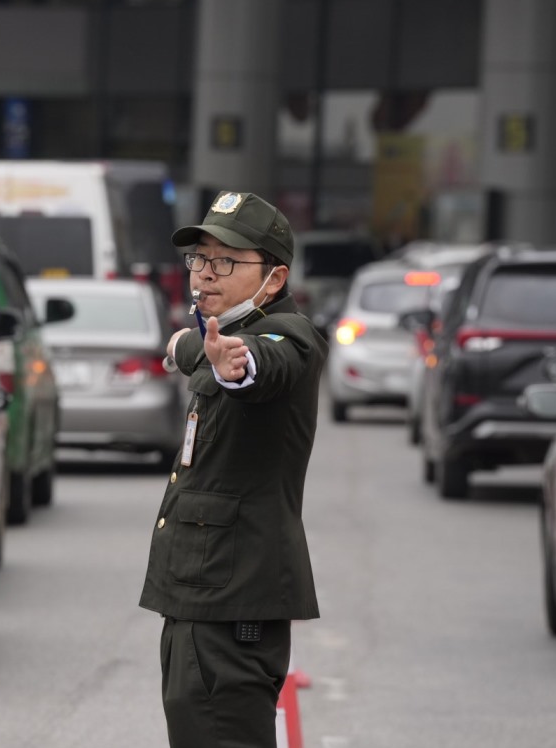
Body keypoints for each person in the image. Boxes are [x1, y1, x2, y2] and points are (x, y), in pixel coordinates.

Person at [139, 190, 328, 748]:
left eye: (226, 261)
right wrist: (193, 346)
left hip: (229, 608)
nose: (205, 275)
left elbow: (260, 365)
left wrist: (224, 361)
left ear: (274, 278)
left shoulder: (286, 336)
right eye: (199, 258)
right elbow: (202, 349)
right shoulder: (216, 333)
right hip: (204, 601)